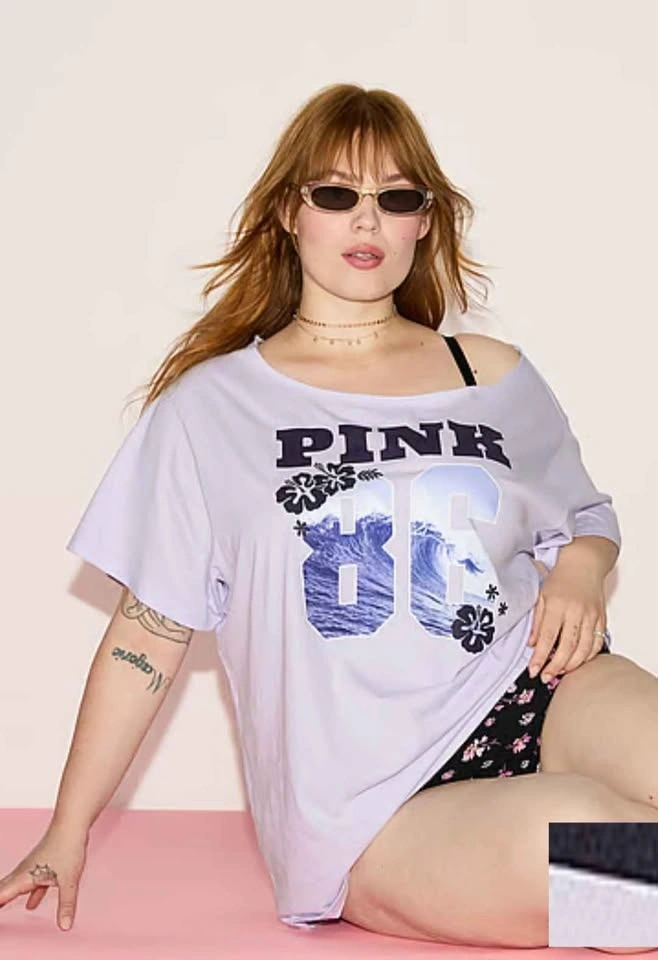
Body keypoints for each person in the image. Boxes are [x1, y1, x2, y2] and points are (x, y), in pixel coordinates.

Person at [0, 83, 638, 949]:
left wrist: (581, 568)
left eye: (397, 198)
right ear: (288, 214)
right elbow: (147, 633)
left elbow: (586, 516)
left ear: (425, 222)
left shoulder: (489, 372)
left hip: (536, 690)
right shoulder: (212, 408)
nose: (367, 221)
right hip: (373, 808)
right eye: (336, 194)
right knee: (626, 866)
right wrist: (67, 828)